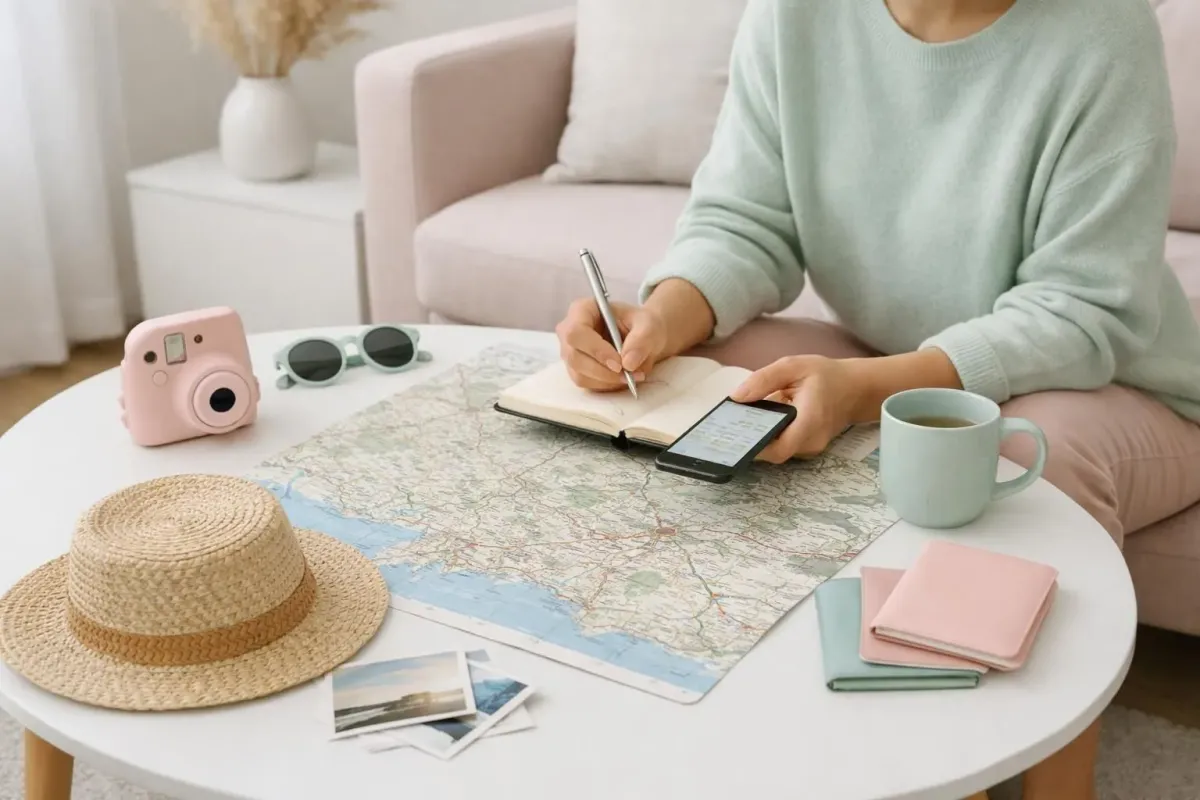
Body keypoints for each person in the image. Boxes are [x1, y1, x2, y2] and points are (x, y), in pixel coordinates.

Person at [555, 0, 1200, 797]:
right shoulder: (796, 13)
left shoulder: (1104, 30)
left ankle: (1039, 784)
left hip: (1111, 379)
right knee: (714, 382)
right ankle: (758, 723)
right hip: (895, 350)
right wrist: (663, 318)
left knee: (1018, 458)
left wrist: (866, 391)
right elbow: (747, 218)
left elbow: (1085, 308)